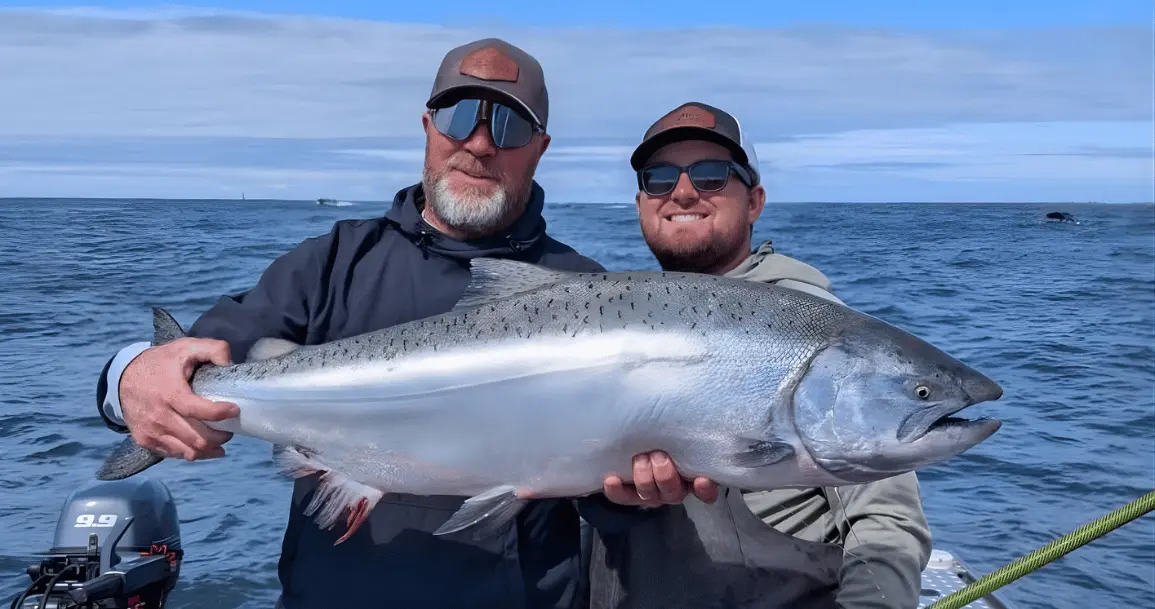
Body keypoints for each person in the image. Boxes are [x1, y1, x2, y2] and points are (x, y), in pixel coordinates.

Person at [92, 39, 716, 609]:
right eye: (457, 116)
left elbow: (602, 492)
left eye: (508, 123)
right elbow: (187, 367)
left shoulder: (587, 293)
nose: (479, 143)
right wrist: (130, 379)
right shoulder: (332, 263)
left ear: (540, 148)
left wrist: (636, 498)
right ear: (426, 126)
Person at [581, 102, 932, 609]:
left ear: (755, 201)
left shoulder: (820, 333)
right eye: (659, 179)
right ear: (640, 204)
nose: (682, 191)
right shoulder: (617, 328)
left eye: (711, 175)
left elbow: (887, 521)